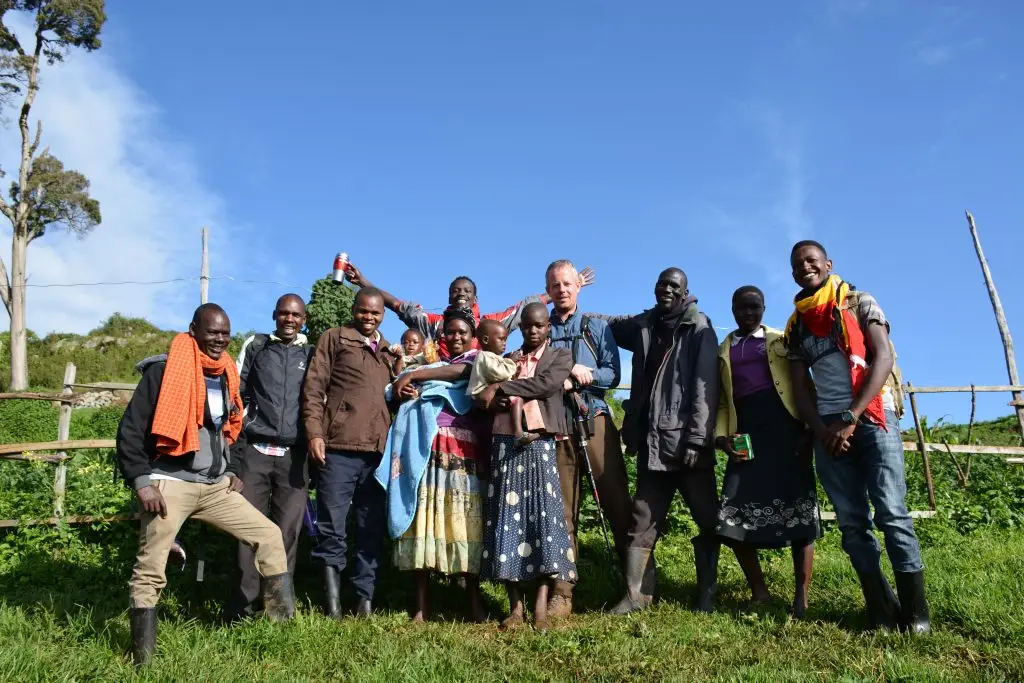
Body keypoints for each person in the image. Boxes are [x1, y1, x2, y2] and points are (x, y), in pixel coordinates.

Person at [116, 304, 294, 666]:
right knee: (151, 567)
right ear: (194, 329)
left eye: (225, 333)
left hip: (215, 487)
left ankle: (279, 629)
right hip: (169, 483)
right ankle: (142, 659)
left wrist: (234, 469)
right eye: (213, 332)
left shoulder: (226, 374)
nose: (220, 339)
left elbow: (232, 428)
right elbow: (130, 431)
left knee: (270, 535)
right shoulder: (164, 371)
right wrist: (142, 483)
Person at [786, 240, 930, 633]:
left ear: (828, 264)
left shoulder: (859, 302)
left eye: (811, 261)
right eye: (797, 264)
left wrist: (851, 417)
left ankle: (917, 614)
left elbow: (883, 358)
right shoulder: (797, 324)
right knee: (852, 522)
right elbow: (801, 389)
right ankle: (881, 607)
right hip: (829, 429)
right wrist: (824, 431)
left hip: (874, 417)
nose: (805, 268)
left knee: (892, 513)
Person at [594, 268, 721, 615]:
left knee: (708, 518)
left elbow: (704, 386)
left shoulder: (699, 327)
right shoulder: (646, 325)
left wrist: (697, 439)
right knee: (642, 519)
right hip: (653, 443)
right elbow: (613, 322)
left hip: (688, 444)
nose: (666, 289)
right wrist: (581, 312)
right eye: (662, 283)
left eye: (673, 285)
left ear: (685, 292)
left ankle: (708, 593)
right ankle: (637, 596)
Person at [714, 286, 821, 617]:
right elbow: (720, 400)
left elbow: (804, 386)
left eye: (754, 307)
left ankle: (801, 598)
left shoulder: (781, 339)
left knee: (799, 511)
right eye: (741, 307)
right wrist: (721, 438)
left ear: (763, 308)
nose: (747, 313)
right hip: (746, 435)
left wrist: (807, 432)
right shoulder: (723, 350)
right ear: (732, 309)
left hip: (786, 430)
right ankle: (759, 591)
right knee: (732, 516)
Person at [476, 302, 576, 632]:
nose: (533, 331)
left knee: (544, 521)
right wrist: (492, 393)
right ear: (521, 328)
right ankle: (515, 608)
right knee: (508, 521)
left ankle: (541, 609)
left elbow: (545, 385)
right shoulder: (510, 358)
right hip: (506, 442)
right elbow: (484, 400)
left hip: (541, 443)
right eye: (528, 326)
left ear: (549, 327)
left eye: (539, 325)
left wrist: (502, 386)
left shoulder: (560, 357)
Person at [387, 307, 492, 622]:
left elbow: (460, 374)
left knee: (465, 522)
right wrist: (405, 386)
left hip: (463, 448)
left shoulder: (476, 361)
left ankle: (472, 602)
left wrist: (414, 374)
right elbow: (406, 390)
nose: (457, 337)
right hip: (430, 445)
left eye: (463, 332)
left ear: (473, 337)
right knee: (426, 519)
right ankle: (420, 607)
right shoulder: (433, 364)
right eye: (451, 332)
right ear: (443, 335)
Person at [301, 287, 399, 618]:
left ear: (382, 315)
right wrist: (315, 432)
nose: (368, 317)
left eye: (375, 313)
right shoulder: (335, 338)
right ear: (353, 309)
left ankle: (364, 601)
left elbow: (393, 398)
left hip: (376, 454)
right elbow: (314, 388)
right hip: (338, 449)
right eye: (363, 311)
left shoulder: (388, 351)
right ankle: (332, 606)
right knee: (332, 527)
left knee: (370, 528)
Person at [545, 259, 632, 618]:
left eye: (567, 284)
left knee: (617, 502)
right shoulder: (539, 328)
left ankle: (637, 584)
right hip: (555, 426)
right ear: (547, 291)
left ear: (578, 286)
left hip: (593, 420)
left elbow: (612, 374)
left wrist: (585, 374)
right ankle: (563, 593)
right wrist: (563, 370)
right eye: (555, 285)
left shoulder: (595, 327)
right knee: (562, 511)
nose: (562, 290)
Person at [225, 293, 314, 622]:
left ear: (304, 319)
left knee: (286, 533)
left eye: (296, 315)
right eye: (284, 314)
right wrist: (234, 450)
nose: (289, 320)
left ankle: (277, 611)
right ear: (275, 315)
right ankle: (241, 610)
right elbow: (236, 392)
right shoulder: (256, 345)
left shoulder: (312, 352)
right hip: (255, 453)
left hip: (294, 458)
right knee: (246, 531)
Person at [344, 263, 594, 359]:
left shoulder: (490, 324)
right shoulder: (434, 323)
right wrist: (365, 283)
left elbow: (525, 307)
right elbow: (396, 304)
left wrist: (565, 289)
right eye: (455, 290)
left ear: (476, 297)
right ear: (449, 296)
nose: (461, 294)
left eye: (466, 291)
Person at [467, 318, 535, 446]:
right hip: (482, 394)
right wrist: (511, 362)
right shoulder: (484, 356)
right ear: (486, 340)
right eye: (501, 339)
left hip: (489, 396)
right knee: (516, 400)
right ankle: (519, 433)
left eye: (506, 340)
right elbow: (499, 373)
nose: (505, 344)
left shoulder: (493, 357)